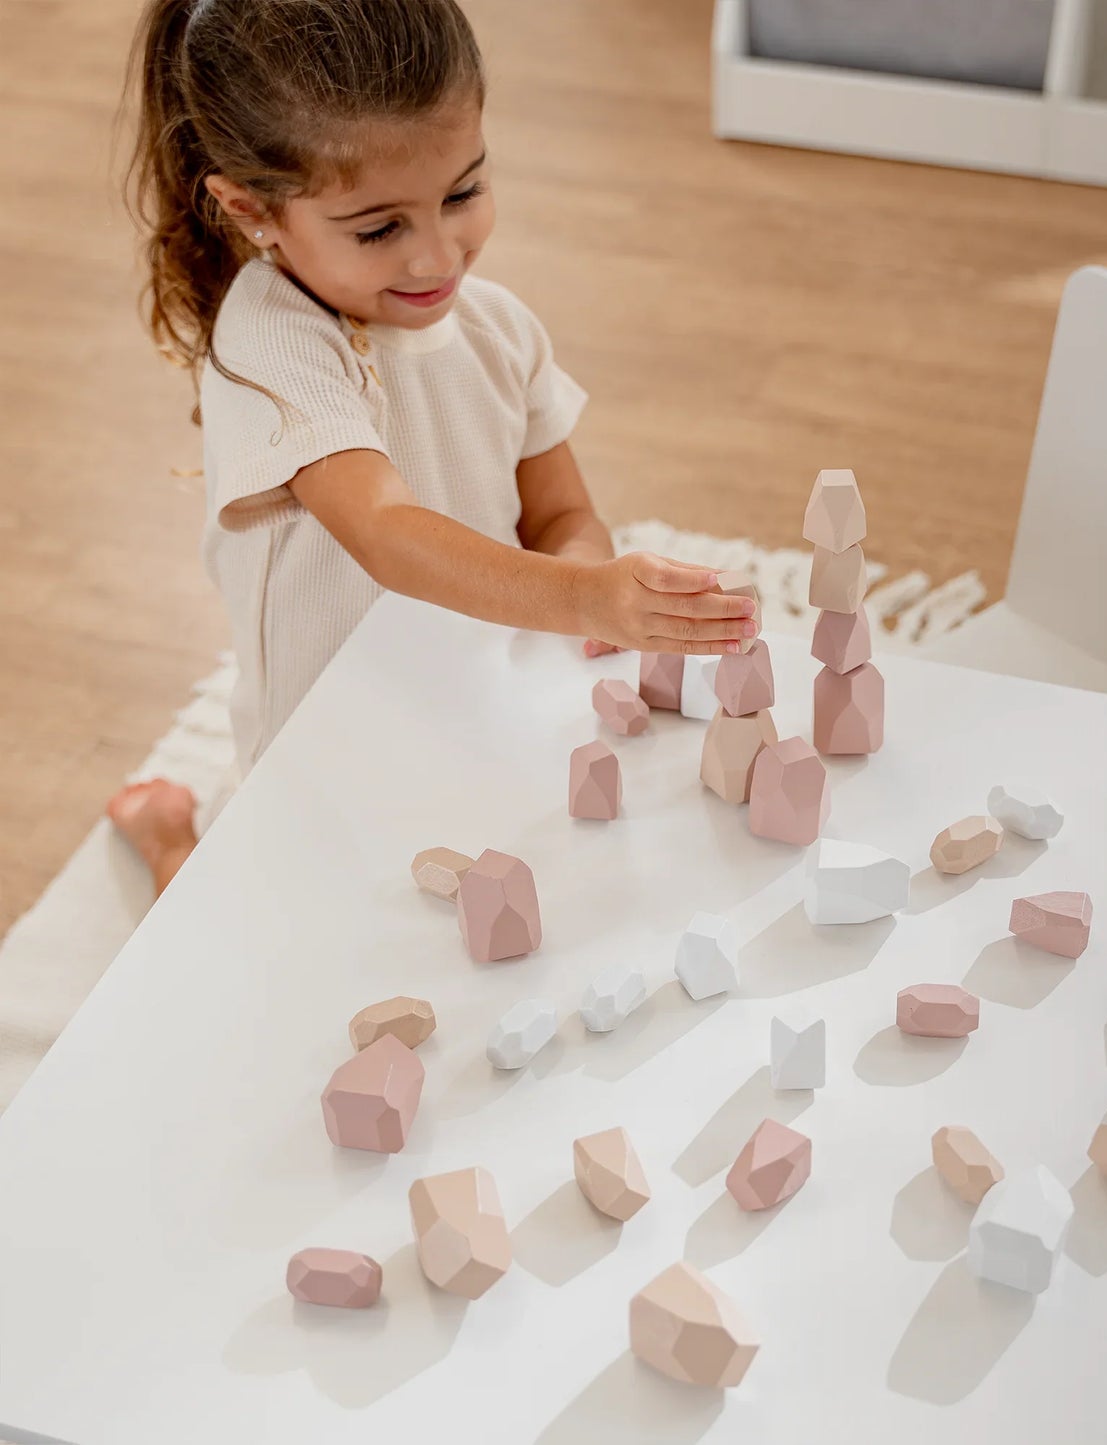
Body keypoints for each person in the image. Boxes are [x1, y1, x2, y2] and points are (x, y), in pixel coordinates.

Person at [107, 0, 756, 898]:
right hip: (324, 727)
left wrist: (587, 572)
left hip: (463, 691)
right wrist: (583, 599)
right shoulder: (269, 342)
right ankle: (171, 842)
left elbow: (563, 513)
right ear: (251, 209)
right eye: (379, 229)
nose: (437, 256)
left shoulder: (500, 330)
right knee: (261, 913)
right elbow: (383, 527)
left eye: (462, 193)